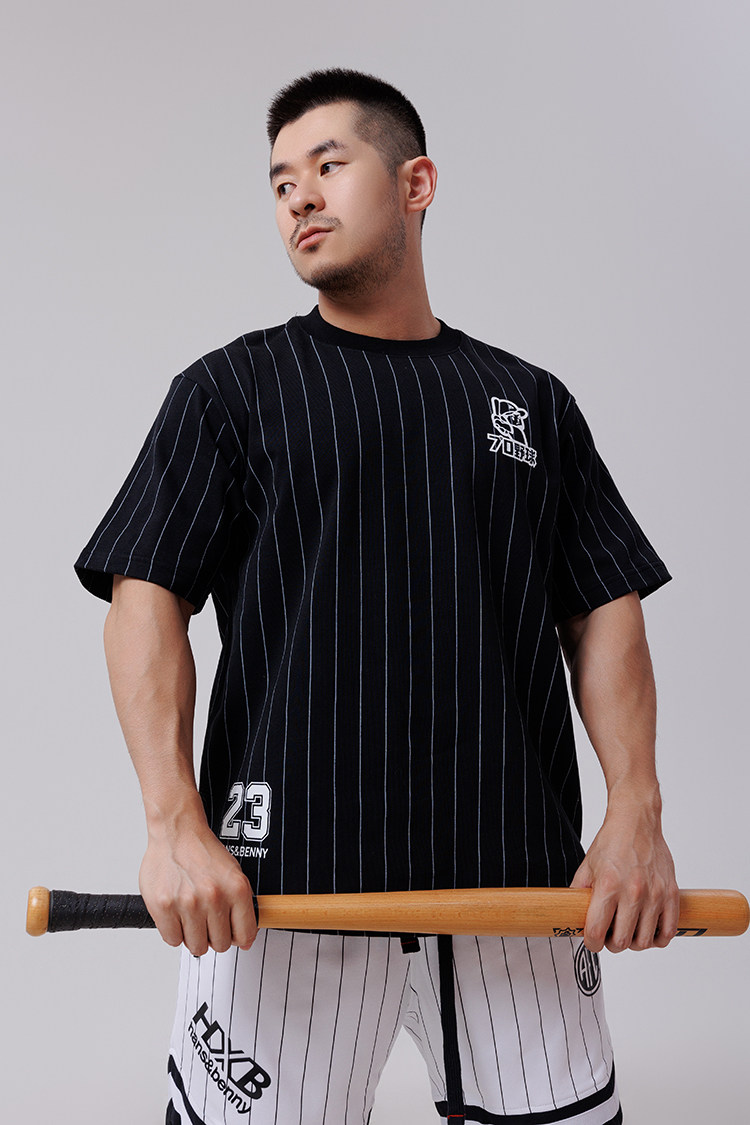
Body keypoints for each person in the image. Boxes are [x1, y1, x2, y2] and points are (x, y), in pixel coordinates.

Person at [74, 68, 678, 1125]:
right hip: (278, 897)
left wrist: (637, 809)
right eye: (279, 183)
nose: (298, 197)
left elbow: (603, 606)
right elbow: (145, 595)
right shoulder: (230, 390)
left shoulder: (529, 402)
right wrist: (173, 826)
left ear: (416, 183)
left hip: (517, 891)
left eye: (328, 164)